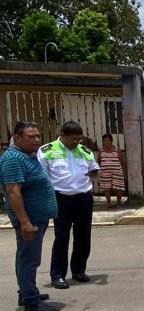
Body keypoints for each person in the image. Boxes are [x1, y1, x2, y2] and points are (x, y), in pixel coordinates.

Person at [0, 122, 59, 311]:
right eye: (30, 137)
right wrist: (24, 222)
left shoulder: (26, 156)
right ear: (17, 138)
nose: (36, 140)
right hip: (29, 219)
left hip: (36, 217)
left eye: (37, 136)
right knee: (29, 259)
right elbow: (13, 192)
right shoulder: (13, 159)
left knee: (25, 257)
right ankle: (31, 301)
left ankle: (26, 292)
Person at [38, 121, 100, 289]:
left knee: (83, 236)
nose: (76, 142)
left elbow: (95, 170)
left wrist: (94, 173)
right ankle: (58, 275)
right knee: (61, 237)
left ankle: (79, 270)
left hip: (83, 198)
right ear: (63, 135)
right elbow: (42, 177)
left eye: (79, 139)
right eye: (73, 139)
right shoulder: (47, 151)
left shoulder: (85, 151)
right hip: (61, 198)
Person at [97, 133, 126, 208]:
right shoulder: (101, 151)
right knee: (106, 188)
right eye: (104, 140)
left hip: (117, 172)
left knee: (118, 188)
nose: (106, 142)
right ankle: (108, 203)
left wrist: (121, 170)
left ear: (111, 141)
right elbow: (98, 162)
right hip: (104, 173)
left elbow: (123, 161)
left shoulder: (117, 150)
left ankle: (119, 203)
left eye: (107, 140)